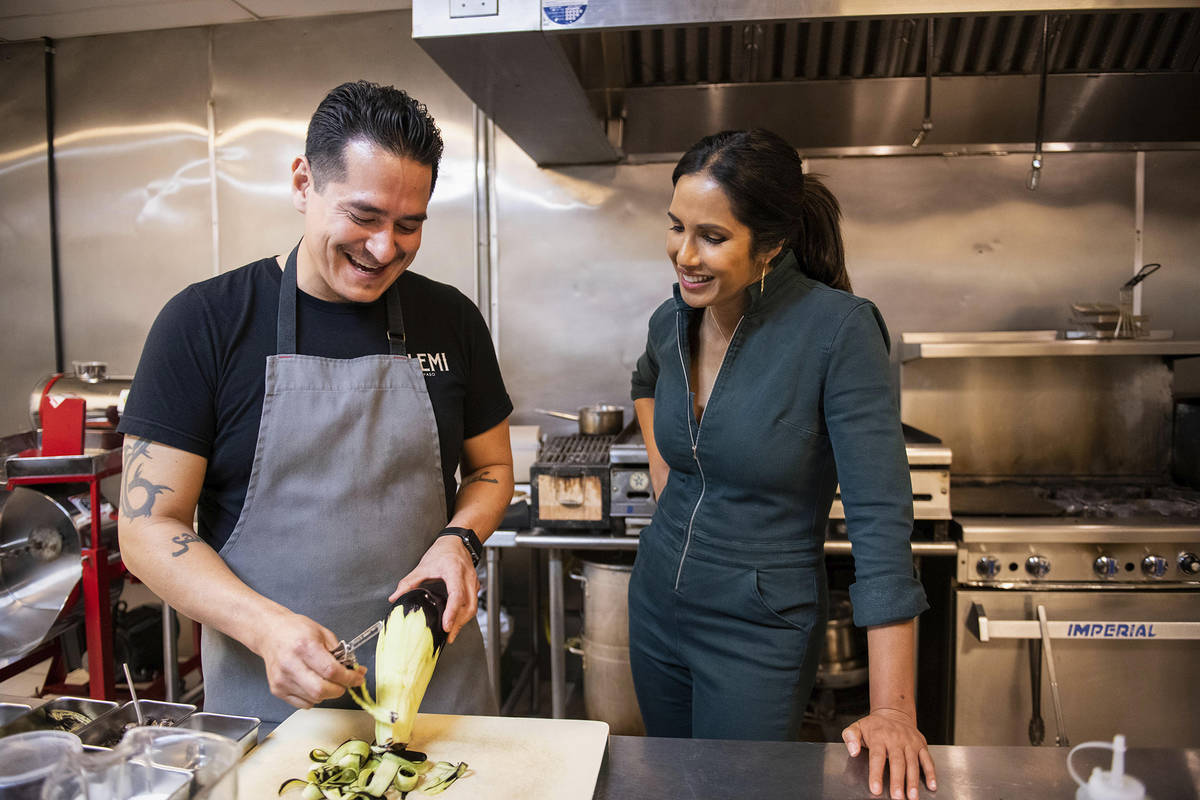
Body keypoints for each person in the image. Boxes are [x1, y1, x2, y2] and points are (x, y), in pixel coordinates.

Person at [117, 81, 514, 726]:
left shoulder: (450, 319)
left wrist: (459, 541)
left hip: (441, 706)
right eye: (363, 217)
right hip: (268, 707)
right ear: (304, 183)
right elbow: (146, 527)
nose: (385, 249)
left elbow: (492, 469)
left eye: (408, 225)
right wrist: (267, 628)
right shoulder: (206, 323)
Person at [628, 129, 937, 800]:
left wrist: (892, 710)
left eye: (712, 236)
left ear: (771, 243)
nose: (684, 255)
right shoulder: (672, 318)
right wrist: (669, 488)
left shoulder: (838, 331)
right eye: (676, 227)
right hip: (655, 607)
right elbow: (645, 381)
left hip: (758, 630)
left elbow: (881, 522)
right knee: (671, 788)